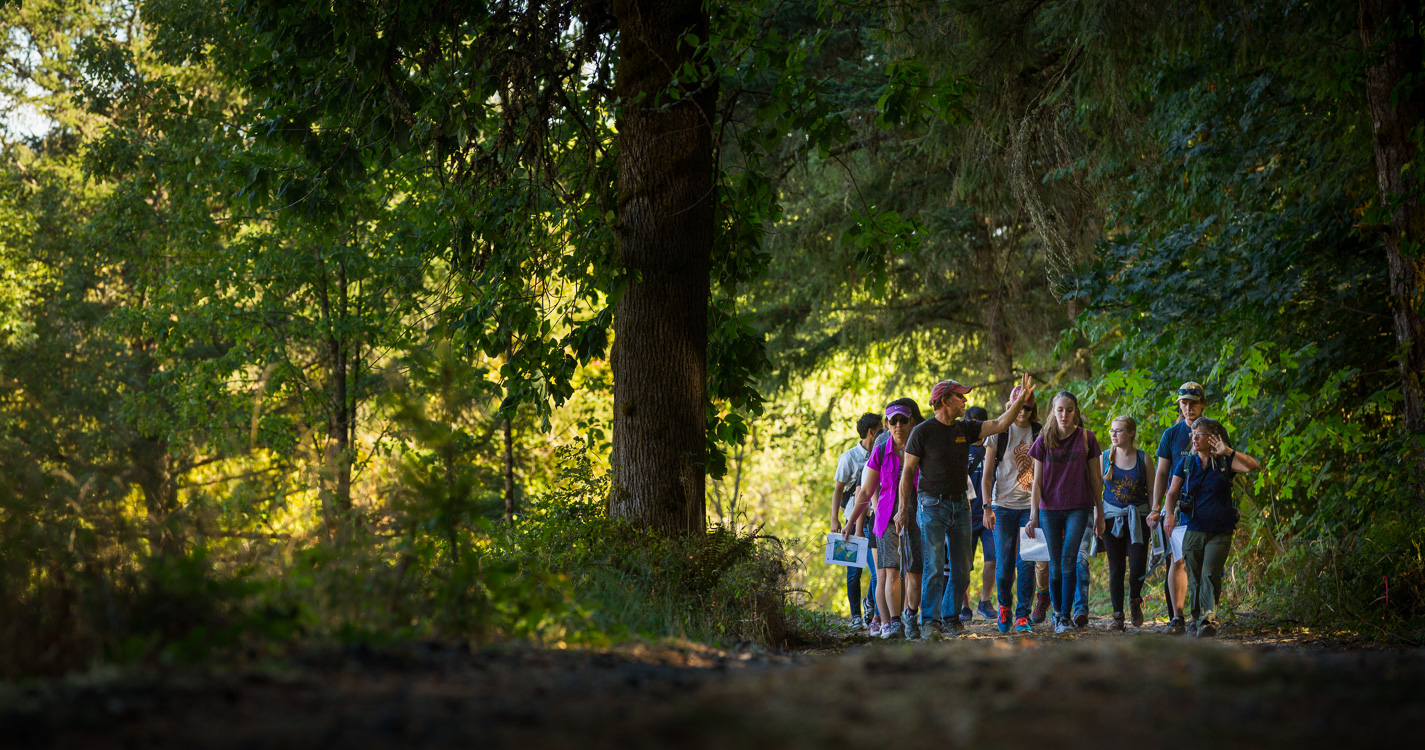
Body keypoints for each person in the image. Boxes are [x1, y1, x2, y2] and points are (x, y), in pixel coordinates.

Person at [898, 372, 1037, 640]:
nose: (965, 400)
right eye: (960, 396)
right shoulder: (922, 432)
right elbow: (907, 474)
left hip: (961, 505)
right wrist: (904, 509)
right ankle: (930, 622)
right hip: (931, 506)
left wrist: (1020, 401)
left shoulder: (965, 428)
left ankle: (951, 618)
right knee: (935, 566)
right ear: (944, 400)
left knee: (962, 568)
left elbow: (999, 423)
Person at [1163, 417, 1258, 637]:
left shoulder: (1225, 462)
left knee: (1209, 573)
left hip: (1220, 529)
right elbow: (1172, 492)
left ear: (1212, 438)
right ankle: (1195, 619)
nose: (1194, 439)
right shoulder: (1186, 463)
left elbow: (1253, 465)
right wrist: (1169, 515)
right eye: (1192, 435)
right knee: (1195, 576)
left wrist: (1228, 451)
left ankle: (1207, 620)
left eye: (1199, 435)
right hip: (1192, 528)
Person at [1025, 391, 1105, 633]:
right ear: (1053, 412)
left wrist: (1099, 512)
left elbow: (1094, 478)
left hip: (1078, 508)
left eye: (1069, 410)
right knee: (1055, 564)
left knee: (1069, 560)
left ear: (1075, 412)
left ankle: (1064, 617)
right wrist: (1033, 516)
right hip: (1049, 509)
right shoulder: (1043, 440)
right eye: (1060, 410)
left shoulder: (1086, 439)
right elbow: (1036, 482)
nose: (1064, 414)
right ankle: (1058, 613)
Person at [844, 400, 923, 639]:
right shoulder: (880, 450)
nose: (898, 425)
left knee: (915, 571)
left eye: (903, 420)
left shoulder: (921, 447)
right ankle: (893, 622)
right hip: (886, 517)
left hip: (917, 515)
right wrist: (850, 523)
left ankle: (911, 615)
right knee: (889, 571)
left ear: (911, 422)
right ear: (887, 424)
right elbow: (866, 492)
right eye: (893, 421)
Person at [1147, 381, 1222, 634]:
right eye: (1184, 403)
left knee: (1203, 565)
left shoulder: (1215, 430)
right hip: (1179, 507)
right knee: (1176, 560)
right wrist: (1158, 508)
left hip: (1210, 506)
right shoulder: (1171, 434)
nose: (1188, 408)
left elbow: (1227, 465)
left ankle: (1202, 617)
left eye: (1193, 403)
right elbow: (1162, 472)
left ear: (1203, 404)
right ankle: (1177, 617)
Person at [981, 385, 1041, 633]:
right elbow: (986, 476)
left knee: (1026, 562)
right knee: (1004, 564)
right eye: (1019, 406)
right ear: (1011, 405)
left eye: (1028, 407)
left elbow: (1043, 474)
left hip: (1030, 506)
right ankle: (1004, 607)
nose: (1023, 412)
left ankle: (1023, 615)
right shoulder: (999, 431)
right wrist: (986, 507)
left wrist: (1039, 512)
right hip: (1002, 506)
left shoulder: (1039, 433)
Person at [1099, 416, 1152, 630]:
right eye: (1112, 430)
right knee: (1116, 568)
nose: (1113, 434)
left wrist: (1155, 513)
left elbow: (1152, 490)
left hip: (1139, 518)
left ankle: (1135, 600)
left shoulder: (1143, 458)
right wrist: (1097, 516)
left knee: (1138, 564)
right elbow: (1095, 490)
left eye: (1119, 431)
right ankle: (1118, 617)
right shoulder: (1103, 458)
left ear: (1131, 433)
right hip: (1111, 518)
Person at [831, 412, 882, 629]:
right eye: (880, 429)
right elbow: (838, 490)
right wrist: (834, 518)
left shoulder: (882, 453)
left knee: (877, 572)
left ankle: (870, 602)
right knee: (854, 572)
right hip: (851, 523)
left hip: (874, 520)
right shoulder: (848, 457)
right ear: (871, 432)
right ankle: (854, 616)